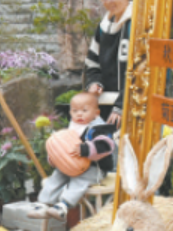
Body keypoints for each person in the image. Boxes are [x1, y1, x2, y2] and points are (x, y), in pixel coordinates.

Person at [31, 92, 116, 220]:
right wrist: (56, 158)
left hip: (95, 169)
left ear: (96, 113)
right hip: (71, 166)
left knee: (80, 180)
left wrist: (86, 149)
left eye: (84, 110)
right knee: (57, 175)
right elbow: (62, 148)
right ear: (70, 112)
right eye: (75, 111)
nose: (79, 114)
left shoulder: (99, 128)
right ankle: (43, 203)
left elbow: (107, 146)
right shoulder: (72, 128)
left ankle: (63, 205)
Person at [85, 0, 135, 126]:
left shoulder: (137, 25)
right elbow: (92, 64)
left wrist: (121, 106)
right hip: (105, 108)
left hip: (132, 108)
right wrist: (94, 83)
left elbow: (140, 72)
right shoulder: (103, 27)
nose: (108, 2)